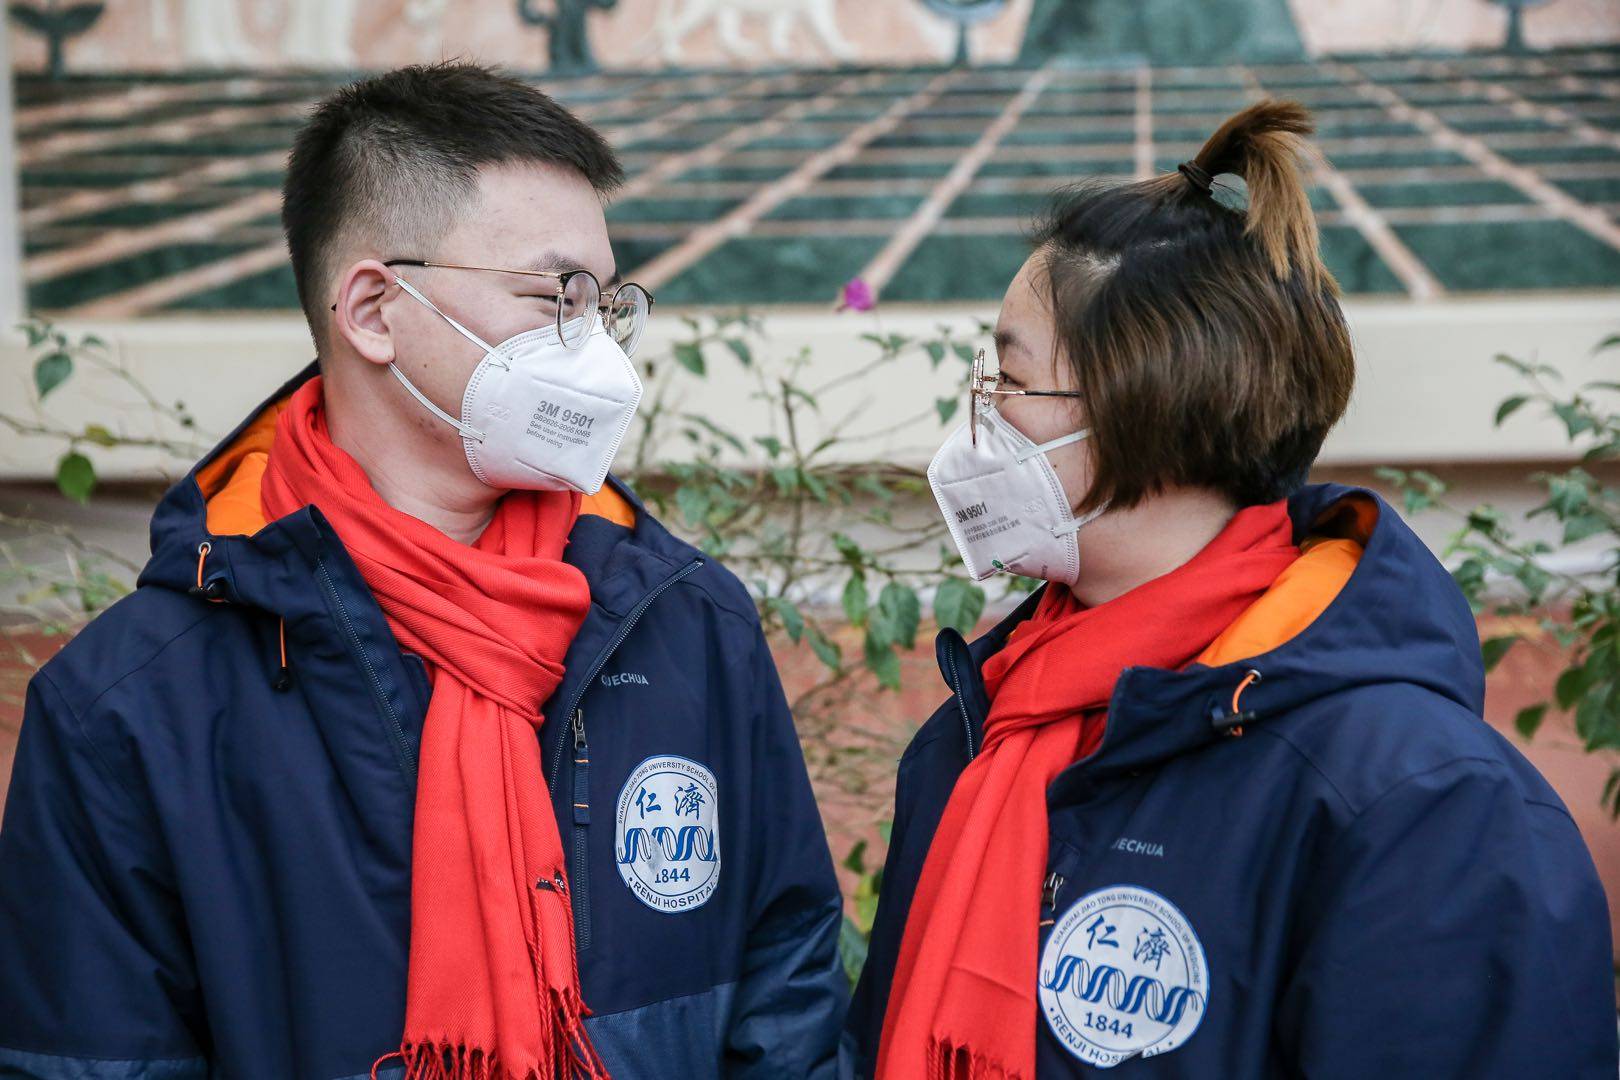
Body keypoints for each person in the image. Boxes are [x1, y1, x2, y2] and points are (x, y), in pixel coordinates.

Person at [0, 63, 846, 1080]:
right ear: (373, 310)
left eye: (607, 302)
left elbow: (787, 993)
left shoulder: (682, 620)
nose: (599, 351)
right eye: (554, 296)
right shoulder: (132, 706)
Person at [846, 100, 1617, 1077]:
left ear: (1145, 405)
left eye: (1010, 378)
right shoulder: (977, 727)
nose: (981, 418)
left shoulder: (1420, 804)